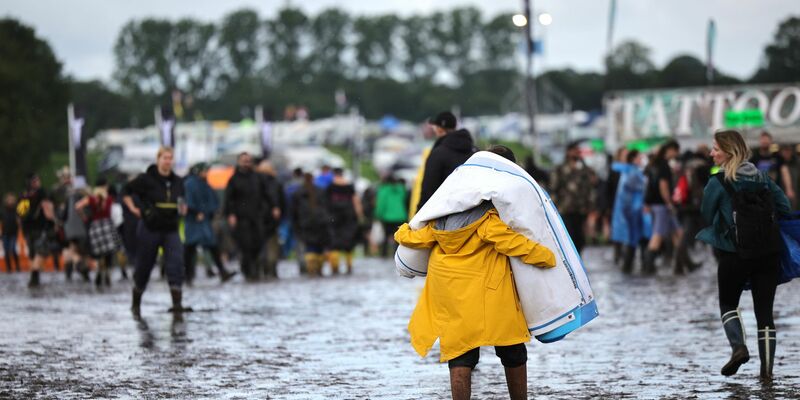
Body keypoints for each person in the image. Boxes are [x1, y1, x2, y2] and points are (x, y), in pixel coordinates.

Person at [394, 146, 556, 400]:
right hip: (490, 293)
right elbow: (512, 243)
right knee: (512, 349)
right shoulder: (488, 218)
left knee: (460, 354)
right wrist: (547, 256)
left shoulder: (440, 216)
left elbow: (415, 238)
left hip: (450, 293)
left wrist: (401, 232)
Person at [696, 130, 791, 380]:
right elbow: (784, 207)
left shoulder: (717, 182)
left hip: (734, 253)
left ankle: (738, 347)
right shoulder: (763, 178)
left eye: (715, 148)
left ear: (728, 151)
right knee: (765, 314)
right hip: (769, 253)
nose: (711, 153)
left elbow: (706, 214)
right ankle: (767, 372)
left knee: (728, 303)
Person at [123, 147, 189, 316]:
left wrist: (183, 209)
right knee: (144, 266)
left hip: (171, 228)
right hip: (150, 228)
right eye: (165, 158)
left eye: (170, 158)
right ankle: (136, 304)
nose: (168, 161)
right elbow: (125, 191)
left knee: (176, 263)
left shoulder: (178, 181)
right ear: (158, 159)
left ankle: (177, 305)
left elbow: (181, 199)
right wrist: (134, 208)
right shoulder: (146, 179)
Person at [183, 163, 236, 285]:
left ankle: (222, 271)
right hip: (193, 222)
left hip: (204, 221)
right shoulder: (190, 184)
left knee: (212, 247)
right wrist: (195, 212)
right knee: (190, 249)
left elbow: (213, 200)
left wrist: (211, 212)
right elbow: (187, 201)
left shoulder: (205, 184)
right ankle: (188, 275)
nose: (206, 173)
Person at [642, 140, 689, 274]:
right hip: (662, 205)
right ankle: (648, 266)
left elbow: (649, 185)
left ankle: (685, 263)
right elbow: (663, 186)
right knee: (657, 236)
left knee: (678, 234)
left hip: (657, 204)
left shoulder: (654, 164)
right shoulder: (663, 165)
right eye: (676, 150)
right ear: (671, 150)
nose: (677, 154)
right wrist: (668, 203)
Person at [417, 111, 476, 212]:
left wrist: (418, 215)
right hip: (473, 212)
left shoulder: (438, 153)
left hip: (444, 213)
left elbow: (428, 189)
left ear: (439, 129)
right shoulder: (475, 151)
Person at [224, 152, 266, 281]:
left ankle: (256, 269)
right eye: (244, 161)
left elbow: (265, 195)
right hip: (241, 218)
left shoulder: (258, 178)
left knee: (258, 244)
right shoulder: (234, 179)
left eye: (248, 161)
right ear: (239, 162)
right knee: (245, 246)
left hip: (257, 216)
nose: (246, 163)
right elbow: (229, 199)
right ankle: (248, 271)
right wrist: (230, 214)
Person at [549, 141, 596, 254]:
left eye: (578, 151)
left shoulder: (584, 169)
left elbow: (592, 185)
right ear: (568, 152)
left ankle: (578, 257)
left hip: (581, 209)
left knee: (580, 237)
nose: (577, 153)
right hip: (565, 208)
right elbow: (554, 187)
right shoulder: (560, 169)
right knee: (569, 236)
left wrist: (591, 206)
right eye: (575, 151)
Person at [76, 177, 121, 288]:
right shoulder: (108, 198)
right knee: (108, 252)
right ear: (105, 186)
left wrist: (85, 218)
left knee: (99, 253)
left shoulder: (91, 198)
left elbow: (77, 206)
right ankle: (106, 275)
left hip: (95, 226)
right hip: (107, 225)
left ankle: (99, 274)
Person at [610, 150, 647, 273]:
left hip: (632, 210)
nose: (641, 160)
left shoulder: (628, 171)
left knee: (636, 239)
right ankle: (629, 266)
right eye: (639, 157)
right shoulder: (632, 173)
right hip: (634, 210)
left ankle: (629, 265)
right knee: (635, 238)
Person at [17, 174, 56, 287]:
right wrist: (54, 221)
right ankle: (34, 275)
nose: (39, 182)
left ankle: (35, 276)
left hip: (27, 229)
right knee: (41, 252)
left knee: (32, 253)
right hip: (40, 227)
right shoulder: (41, 193)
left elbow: (20, 215)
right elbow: (47, 207)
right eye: (37, 180)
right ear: (34, 182)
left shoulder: (24, 195)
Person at [325, 168, 363, 274]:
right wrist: (359, 215)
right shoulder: (349, 186)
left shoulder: (330, 187)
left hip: (333, 217)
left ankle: (335, 267)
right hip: (349, 216)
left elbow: (325, 203)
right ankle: (349, 266)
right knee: (348, 242)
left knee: (334, 242)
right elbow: (356, 201)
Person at [291, 173, 329, 276]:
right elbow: (326, 208)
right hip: (318, 224)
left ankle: (311, 270)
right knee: (318, 248)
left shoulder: (297, 193)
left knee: (310, 247)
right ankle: (318, 269)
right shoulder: (320, 191)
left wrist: (296, 225)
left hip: (306, 224)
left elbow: (294, 212)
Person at [256, 159, 283, 279]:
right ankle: (271, 269)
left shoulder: (255, 182)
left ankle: (265, 268)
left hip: (260, 219)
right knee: (271, 246)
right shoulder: (275, 182)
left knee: (263, 246)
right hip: (270, 220)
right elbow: (282, 201)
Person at [374, 175, 408, 257]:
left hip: (387, 217)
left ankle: (384, 255)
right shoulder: (401, 189)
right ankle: (397, 255)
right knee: (398, 238)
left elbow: (381, 204)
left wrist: (378, 215)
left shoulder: (384, 190)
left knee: (386, 236)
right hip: (401, 216)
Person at [777, 144, 799, 210]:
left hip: (796, 193)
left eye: (788, 150)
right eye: (784, 151)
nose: (786, 153)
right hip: (781, 194)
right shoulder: (778, 164)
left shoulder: (797, 163)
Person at [2, 193, 20, 273]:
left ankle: (17, 267)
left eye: (11, 199)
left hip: (13, 233)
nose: (10, 201)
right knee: (6, 251)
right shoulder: (3, 211)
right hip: (5, 233)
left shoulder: (16, 210)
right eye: (9, 199)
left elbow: (19, 220)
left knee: (12, 249)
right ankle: (9, 268)